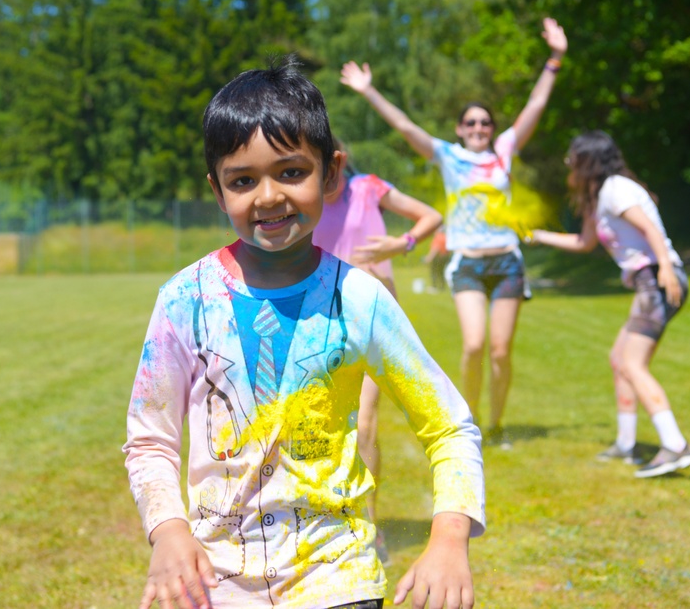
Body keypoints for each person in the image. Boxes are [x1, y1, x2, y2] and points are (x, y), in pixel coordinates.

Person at [124, 57, 485, 609]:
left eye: (291, 172)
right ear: (218, 192)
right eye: (242, 181)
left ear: (332, 173)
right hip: (215, 584)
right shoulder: (184, 299)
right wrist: (169, 529)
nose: (267, 196)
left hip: (337, 577)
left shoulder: (360, 300)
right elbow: (150, 437)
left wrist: (449, 537)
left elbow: (450, 427)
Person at [340, 17, 568, 447]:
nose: (480, 129)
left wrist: (555, 58)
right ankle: (474, 417)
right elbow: (406, 127)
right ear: (460, 129)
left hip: (506, 262)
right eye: (471, 123)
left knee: (501, 351)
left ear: (492, 128)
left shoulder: (503, 152)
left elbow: (535, 106)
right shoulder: (448, 156)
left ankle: (498, 423)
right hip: (466, 264)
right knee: (474, 346)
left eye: (485, 123)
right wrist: (368, 90)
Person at [527, 130, 690, 478]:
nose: (567, 164)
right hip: (649, 280)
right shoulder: (600, 197)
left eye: (571, 157)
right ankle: (625, 443)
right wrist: (536, 235)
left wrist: (665, 267)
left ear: (587, 161)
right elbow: (584, 242)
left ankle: (675, 445)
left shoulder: (617, 189)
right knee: (619, 359)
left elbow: (650, 228)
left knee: (634, 364)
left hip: (656, 279)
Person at [312, 140, 443, 561]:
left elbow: (431, 216)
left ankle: (369, 530)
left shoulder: (368, 188)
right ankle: (323, 519)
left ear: (340, 159)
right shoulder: (303, 199)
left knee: (364, 423)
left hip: (372, 319)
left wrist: (399, 243)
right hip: (319, 322)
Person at [424, 229, 451, 293]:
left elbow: (435, 248)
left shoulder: (438, 237)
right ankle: (442, 287)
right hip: (446, 257)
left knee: (434, 272)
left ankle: (434, 287)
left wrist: (429, 258)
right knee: (441, 272)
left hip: (438, 258)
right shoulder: (445, 237)